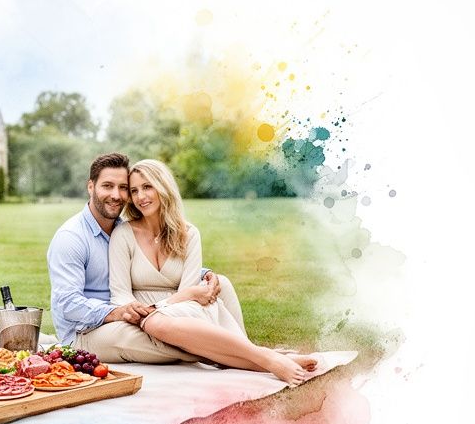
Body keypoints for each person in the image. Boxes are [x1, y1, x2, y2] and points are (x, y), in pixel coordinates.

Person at [109, 159, 317, 385]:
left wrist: (177, 300)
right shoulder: (124, 234)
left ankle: (268, 357)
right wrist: (150, 311)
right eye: (134, 191)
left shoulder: (188, 234)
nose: (141, 197)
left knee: (214, 293)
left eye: (147, 186)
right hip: (144, 316)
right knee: (173, 326)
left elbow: (189, 297)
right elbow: (120, 295)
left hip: (183, 312)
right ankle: (271, 358)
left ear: (163, 187)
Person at [47, 153, 241, 364]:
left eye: (123, 188)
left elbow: (147, 259)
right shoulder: (72, 238)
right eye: (107, 186)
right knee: (161, 336)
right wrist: (116, 312)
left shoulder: (120, 227)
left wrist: (204, 273)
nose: (116, 195)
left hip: (129, 315)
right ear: (91, 187)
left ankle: (240, 347)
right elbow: (67, 303)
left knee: (221, 285)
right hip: (86, 332)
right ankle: (235, 356)